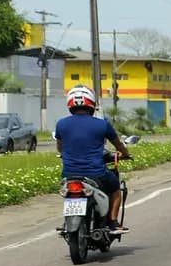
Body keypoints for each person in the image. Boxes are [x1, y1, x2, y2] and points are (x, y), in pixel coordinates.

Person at [55, 85, 131, 232]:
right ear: (91, 103)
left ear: (70, 104)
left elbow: (60, 148)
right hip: (96, 174)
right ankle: (113, 222)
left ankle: (67, 221)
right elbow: (118, 145)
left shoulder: (61, 124)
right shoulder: (102, 124)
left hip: (69, 175)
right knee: (116, 187)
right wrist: (125, 154)